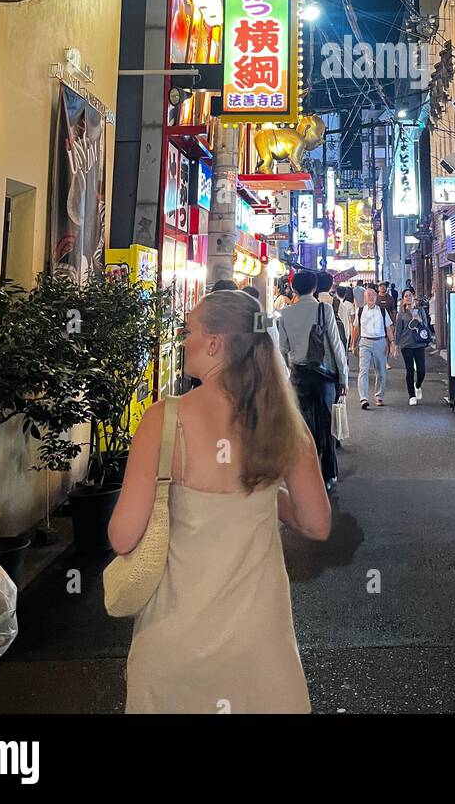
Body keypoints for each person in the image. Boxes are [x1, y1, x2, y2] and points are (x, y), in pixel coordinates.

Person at [111, 289, 330, 714]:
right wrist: (264, 493)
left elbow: (123, 537)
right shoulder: (283, 422)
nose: (182, 337)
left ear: (214, 343)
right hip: (259, 644)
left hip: (174, 640)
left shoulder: (164, 419)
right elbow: (317, 524)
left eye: (189, 328)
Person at [277, 269, 348, 491]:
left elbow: (283, 348)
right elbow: (336, 345)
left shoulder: (286, 314)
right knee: (325, 425)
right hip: (324, 376)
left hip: (299, 376)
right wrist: (343, 376)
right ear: (315, 288)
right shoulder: (324, 309)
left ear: (294, 289)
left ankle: (304, 474)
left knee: (302, 427)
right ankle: (328, 475)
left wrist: (292, 368)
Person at [352, 285, 394, 409]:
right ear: (364, 298)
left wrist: (392, 343)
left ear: (376, 297)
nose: (371, 297)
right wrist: (353, 344)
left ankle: (379, 395)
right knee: (363, 370)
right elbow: (356, 328)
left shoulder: (382, 311)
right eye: (368, 295)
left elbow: (388, 327)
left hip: (380, 342)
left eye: (373, 295)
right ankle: (363, 398)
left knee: (381, 371)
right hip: (365, 342)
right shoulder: (360, 311)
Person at [396, 287, 430, 405]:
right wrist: (395, 344)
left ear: (413, 296)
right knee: (409, 370)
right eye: (406, 296)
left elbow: (426, 325)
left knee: (422, 370)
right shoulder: (401, 313)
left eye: (410, 295)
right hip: (406, 344)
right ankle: (411, 395)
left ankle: (418, 384)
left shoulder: (420, 310)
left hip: (419, 343)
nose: (408, 298)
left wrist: (419, 319)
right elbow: (398, 330)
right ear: (403, 299)